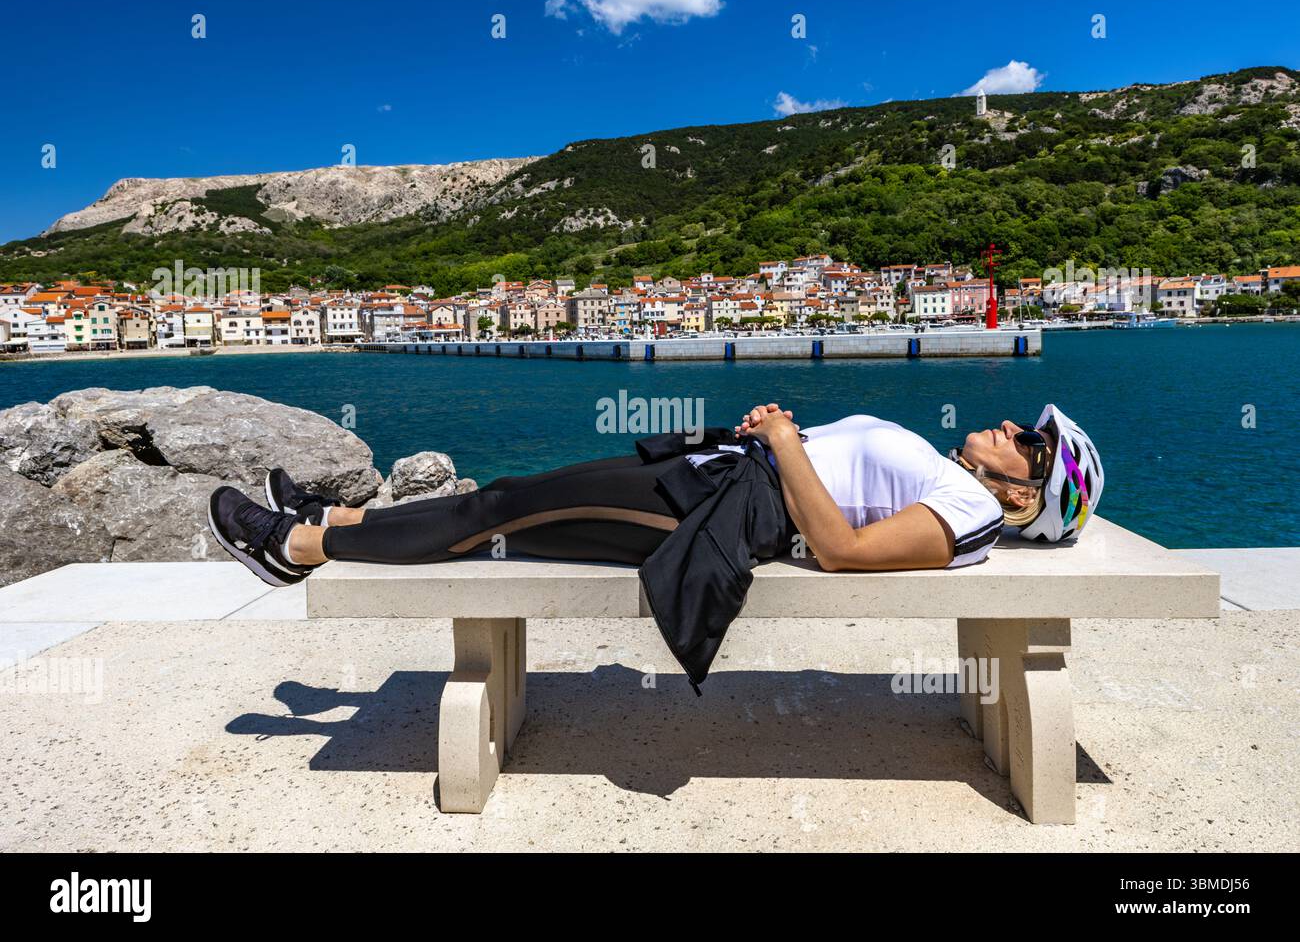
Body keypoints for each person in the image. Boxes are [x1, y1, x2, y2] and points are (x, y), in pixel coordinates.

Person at [207, 402, 1103, 587]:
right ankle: (339, 518)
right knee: (514, 492)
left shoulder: (974, 513)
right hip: (719, 476)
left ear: (1025, 497)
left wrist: (786, 443)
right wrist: (772, 441)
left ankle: (297, 550)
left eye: (1029, 443)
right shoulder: (966, 485)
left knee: (498, 518)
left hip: (715, 513)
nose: (1011, 428)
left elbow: (844, 550)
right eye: (1025, 427)